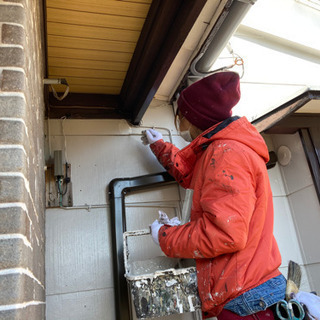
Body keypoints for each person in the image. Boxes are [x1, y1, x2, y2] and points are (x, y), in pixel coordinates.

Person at [142, 71, 286, 319]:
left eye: (180, 116)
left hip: (248, 301)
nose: (179, 123)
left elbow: (225, 233)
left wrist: (165, 236)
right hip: (252, 293)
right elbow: (194, 175)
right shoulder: (224, 148)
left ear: (191, 118)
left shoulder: (226, 153)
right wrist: (161, 147)